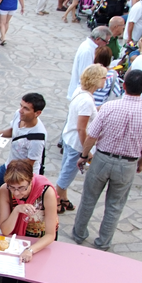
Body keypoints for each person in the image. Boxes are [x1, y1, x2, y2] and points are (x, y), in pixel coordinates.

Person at [74, 69, 142, 251]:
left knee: (88, 198)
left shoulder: (109, 107)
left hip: (102, 158)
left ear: (124, 85)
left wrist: (83, 155)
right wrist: (141, 163)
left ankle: (79, 233)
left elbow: (92, 136)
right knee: (115, 205)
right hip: (128, 163)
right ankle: (103, 242)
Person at [0, 160, 58, 283]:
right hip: (16, 238)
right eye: (12, 187)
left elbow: (50, 235)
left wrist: (31, 250)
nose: (17, 193)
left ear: (31, 180)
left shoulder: (46, 192)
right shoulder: (5, 190)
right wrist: (17, 210)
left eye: (22, 188)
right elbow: (5, 230)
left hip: (39, 239)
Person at [56, 64, 106, 214]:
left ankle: (62, 197)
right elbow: (81, 128)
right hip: (77, 143)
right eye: (104, 77)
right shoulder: (87, 101)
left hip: (69, 138)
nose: (105, 80)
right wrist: (87, 149)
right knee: (67, 174)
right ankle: (57, 200)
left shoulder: (80, 92)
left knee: (66, 170)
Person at [0, 93, 47, 192]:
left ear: (37, 113)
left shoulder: (37, 139)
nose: (21, 110)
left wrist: (12, 177)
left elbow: (30, 163)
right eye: (21, 105)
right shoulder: (19, 114)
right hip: (9, 165)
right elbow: (13, 131)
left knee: (7, 198)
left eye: (26, 108)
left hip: (22, 174)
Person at [66, 26, 111, 100]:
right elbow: (84, 75)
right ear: (98, 39)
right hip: (81, 94)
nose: (107, 44)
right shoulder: (87, 51)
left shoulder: (89, 47)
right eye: (106, 41)